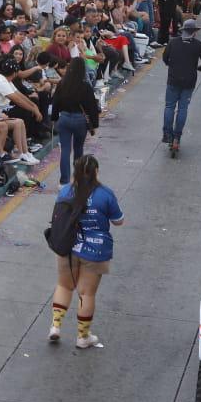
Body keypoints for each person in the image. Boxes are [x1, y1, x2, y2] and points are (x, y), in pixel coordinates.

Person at [48, 154, 122, 349]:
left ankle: (55, 326)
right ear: (96, 172)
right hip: (95, 250)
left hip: (68, 246)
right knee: (86, 294)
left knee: (64, 286)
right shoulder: (105, 194)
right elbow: (118, 220)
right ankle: (83, 337)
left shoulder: (66, 191)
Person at [161, 17, 201, 156]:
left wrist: (171, 65)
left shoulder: (173, 42)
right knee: (182, 108)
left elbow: (165, 58)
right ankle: (177, 137)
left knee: (169, 107)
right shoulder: (198, 45)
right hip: (189, 81)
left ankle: (167, 134)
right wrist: (200, 68)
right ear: (194, 32)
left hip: (173, 79)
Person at [50, 58, 100, 185]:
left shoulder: (62, 84)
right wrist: (94, 124)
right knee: (78, 149)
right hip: (80, 120)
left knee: (65, 150)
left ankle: (64, 181)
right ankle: (78, 178)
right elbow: (92, 106)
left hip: (64, 118)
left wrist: (54, 118)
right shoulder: (85, 86)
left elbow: (56, 103)